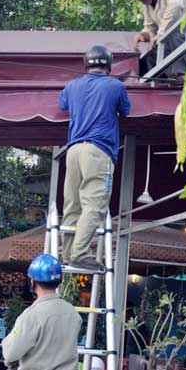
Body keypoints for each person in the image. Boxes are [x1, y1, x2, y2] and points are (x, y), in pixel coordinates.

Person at [58, 44, 130, 271]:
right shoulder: (115, 85)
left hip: (73, 150)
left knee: (72, 204)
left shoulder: (72, 86)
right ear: (109, 66)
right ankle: (79, 253)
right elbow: (126, 110)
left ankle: (67, 253)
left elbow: (62, 105)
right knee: (95, 204)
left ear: (86, 64)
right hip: (98, 151)